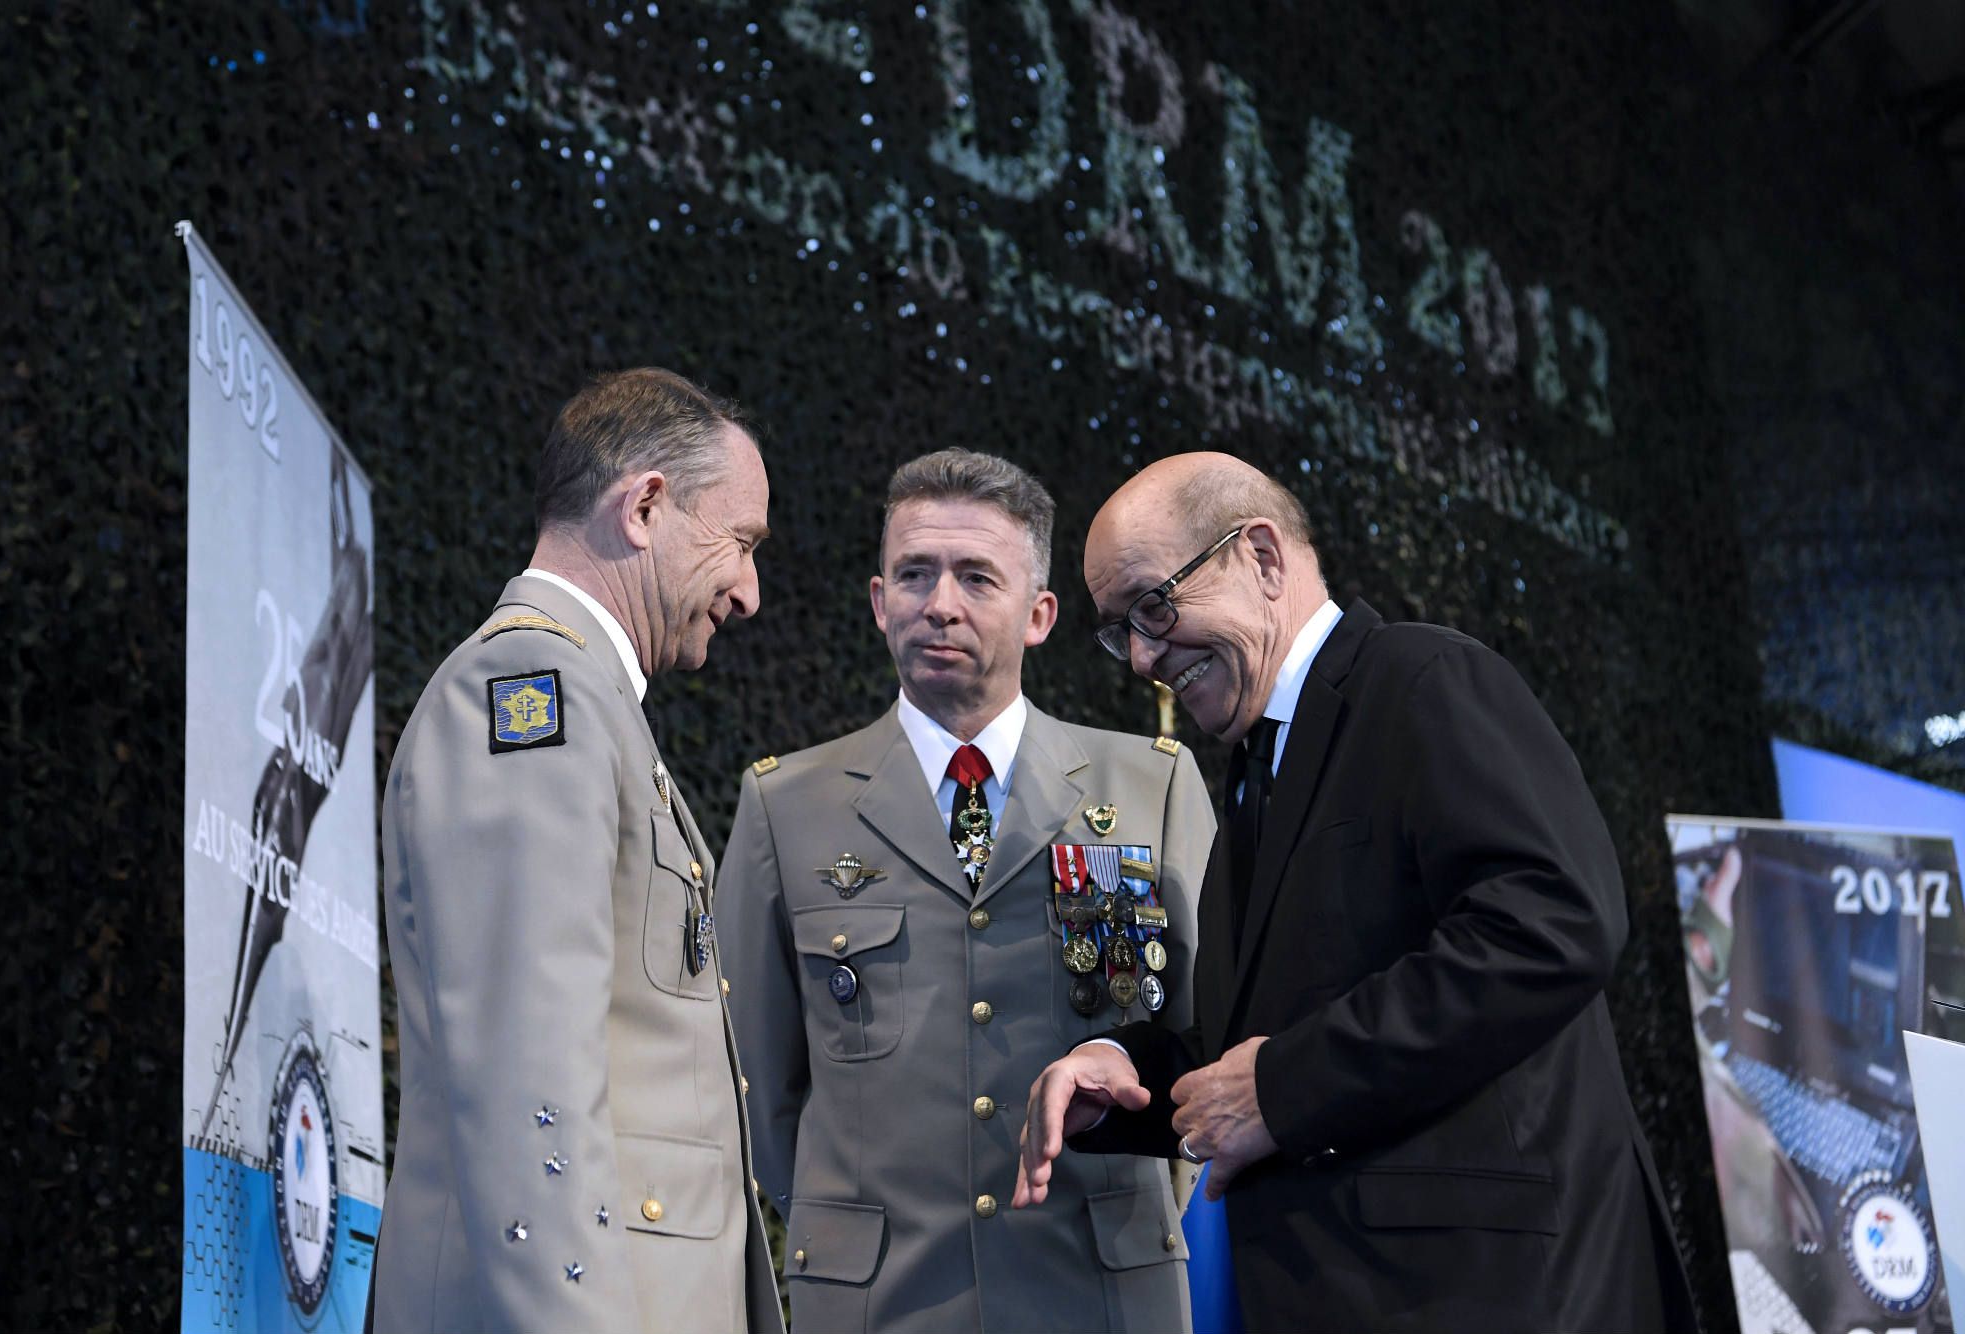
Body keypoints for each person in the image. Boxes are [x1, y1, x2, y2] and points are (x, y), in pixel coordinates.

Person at [1014, 452, 1696, 1333]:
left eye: (1154, 605)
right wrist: (1134, 1078)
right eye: (1121, 631)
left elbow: (1554, 924)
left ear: (1261, 557)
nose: (1143, 655)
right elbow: (1268, 1041)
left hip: (1494, 1296)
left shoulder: (1422, 679)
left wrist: (1285, 1087)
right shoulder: (1258, 771)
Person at [717, 449, 1216, 1332]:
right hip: (882, 1299)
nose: (939, 603)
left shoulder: (1152, 788)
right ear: (879, 602)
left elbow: (1201, 1036)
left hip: (1102, 1289)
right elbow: (755, 1080)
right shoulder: (785, 806)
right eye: (915, 573)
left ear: (1039, 614)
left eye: (977, 576)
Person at [371, 368, 783, 1333]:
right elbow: (528, 1084)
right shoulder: (529, 690)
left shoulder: (584, 703)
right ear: (644, 505)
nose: (750, 591)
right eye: (741, 541)